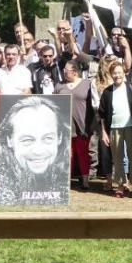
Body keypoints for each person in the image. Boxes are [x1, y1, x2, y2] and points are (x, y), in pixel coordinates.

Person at [0, 95, 69, 198]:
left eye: (47, 138)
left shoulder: (64, 177)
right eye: (27, 140)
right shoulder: (2, 184)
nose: (38, 151)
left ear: (59, 137)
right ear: (9, 140)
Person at [99, 60, 132, 198]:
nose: (117, 75)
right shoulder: (107, 92)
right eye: (114, 73)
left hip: (131, 127)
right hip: (114, 128)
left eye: (119, 72)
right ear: (111, 74)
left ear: (124, 73)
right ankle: (121, 184)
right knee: (117, 158)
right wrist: (104, 132)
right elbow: (102, 115)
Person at [57, 60, 95, 190]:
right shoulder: (59, 86)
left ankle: (85, 181)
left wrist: (92, 124)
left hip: (82, 126)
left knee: (83, 153)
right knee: (67, 154)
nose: (63, 71)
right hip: (64, 126)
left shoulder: (87, 84)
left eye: (66, 70)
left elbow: (93, 105)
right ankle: (66, 181)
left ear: (74, 71)